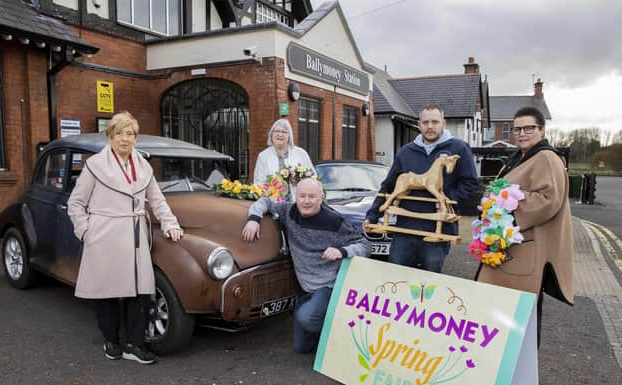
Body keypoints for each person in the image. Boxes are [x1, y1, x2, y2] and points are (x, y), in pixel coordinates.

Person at [68, 111, 184, 364]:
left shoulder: (143, 165)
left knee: (139, 291)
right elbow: (75, 203)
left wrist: (169, 223)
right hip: (104, 235)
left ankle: (133, 344)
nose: (124, 139)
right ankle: (111, 341)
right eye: (119, 133)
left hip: (134, 236)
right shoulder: (95, 165)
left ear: (135, 138)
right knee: (107, 292)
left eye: (129, 134)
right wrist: (86, 232)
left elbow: (156, 200)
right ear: (110, 136)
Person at [476, 106, 574, 345]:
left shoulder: (547, 157)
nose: (521, 133)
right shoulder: (520, 156)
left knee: (522, 318)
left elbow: (548, 199)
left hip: (527, 250)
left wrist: (504, 201)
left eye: (528, 128)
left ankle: (522, 375)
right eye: (517, 129)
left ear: (541, 130)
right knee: (506, 315)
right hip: (512, 247)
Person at [242, 178, 370, 353]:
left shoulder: (334, 221)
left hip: (327, 286)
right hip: (305, 289)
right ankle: (319, 324)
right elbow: (265, 201)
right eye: (302, 196)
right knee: (301, 348)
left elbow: (364, 245)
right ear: (296, 196)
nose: (306, 201)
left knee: (307, 318)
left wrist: (342, 251)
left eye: (312, 196)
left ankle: (339, 332)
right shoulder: (289, 212)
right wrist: (254, 218)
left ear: (321, 197)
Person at [364, 104, 478, 273]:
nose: (430, 126)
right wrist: (372, 215)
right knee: (396, 279)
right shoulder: (406, 152)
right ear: (419, 124)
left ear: (443, 124)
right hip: (404, 231)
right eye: (425, 122)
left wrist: (447, 199)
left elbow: (470, 184)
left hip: (437, 233)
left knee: (429, 284)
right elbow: (389, 185)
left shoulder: (459, 148)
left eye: (435, 122)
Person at [253, 118, 314, 196]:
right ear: (271, 134)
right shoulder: (263, 156)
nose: (280, 134)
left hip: (297, 203)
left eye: (284, 132)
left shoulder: (301, 154)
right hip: (271, 204)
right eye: (277, 131)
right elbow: (258, 183)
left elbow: (312, 178)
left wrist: (299, 181)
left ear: (289, 136)